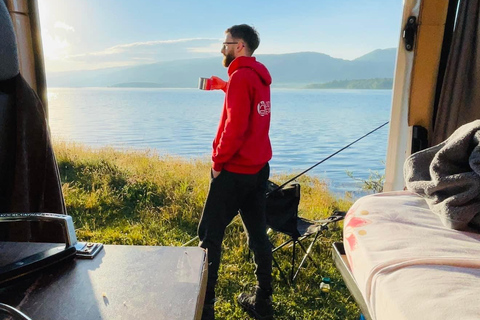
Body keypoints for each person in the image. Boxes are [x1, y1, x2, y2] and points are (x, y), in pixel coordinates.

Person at [197, 24, 273, 320]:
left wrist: (217, 164)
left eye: (226, 43)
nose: (222, 49)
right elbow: (249, 105)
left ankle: (205, 309)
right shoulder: (258, 76)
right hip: (258, 170)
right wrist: (222, 86)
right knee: (258, 234)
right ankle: (263, 299)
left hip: (234, 172)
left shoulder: (241, 77)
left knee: (209, 236)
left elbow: (235, 129)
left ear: (239, 46)